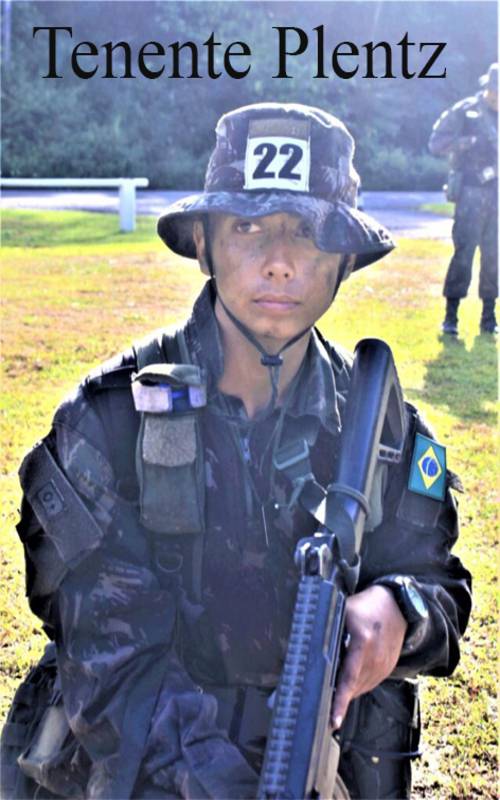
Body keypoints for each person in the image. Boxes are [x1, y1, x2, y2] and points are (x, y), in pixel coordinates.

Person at [1, 103, 471, 800]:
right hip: (151, 773)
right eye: (248, 228)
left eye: (307, 232)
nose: (279, 263)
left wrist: (402, 609)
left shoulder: (384, 427)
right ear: (203, 245)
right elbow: (113, 666)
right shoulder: (109, 422)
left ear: (344, 257)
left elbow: (443, 588)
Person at [429, 62, 498, 336]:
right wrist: (466, 143)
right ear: (487, 88)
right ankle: (451, 317)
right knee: (464, 255)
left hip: (496, 194)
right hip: (470, 193)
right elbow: (436, 143)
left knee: (494, 257)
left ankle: (489, 318)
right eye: (494, 91)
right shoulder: (465, 111)